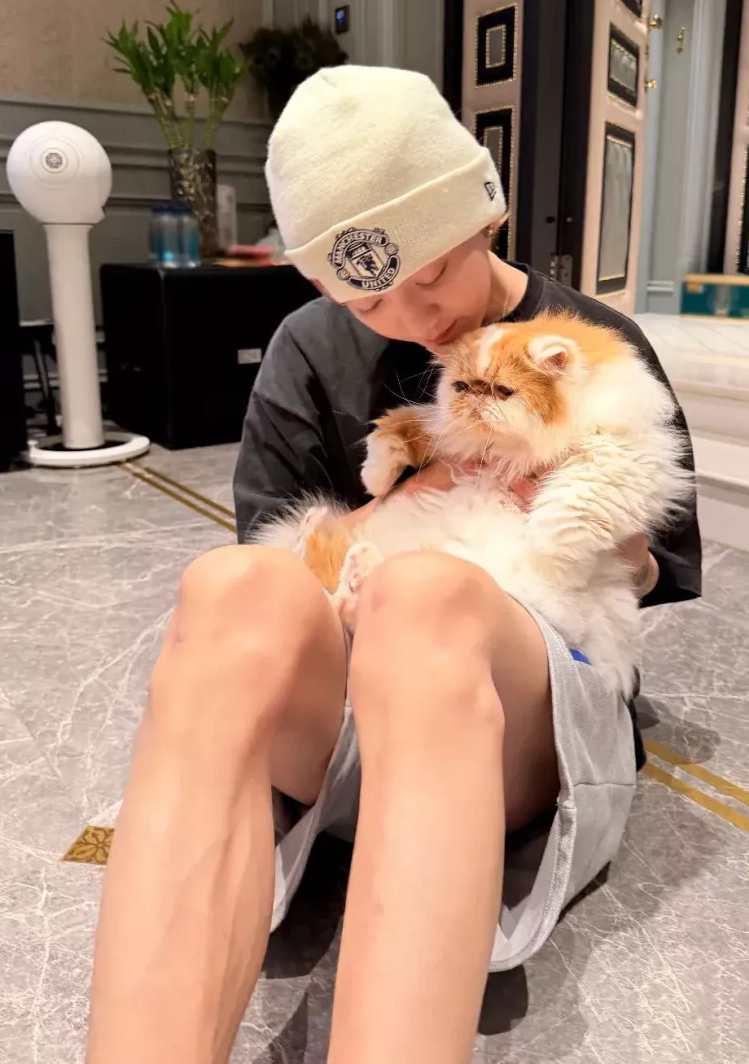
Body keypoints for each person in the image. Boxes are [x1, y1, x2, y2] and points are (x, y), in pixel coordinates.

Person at [86, 66, 700, 1064]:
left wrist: (602, 535)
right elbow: (285, 571)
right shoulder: (306, 349)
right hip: (344, 715)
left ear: (485, 215)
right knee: (228, 589)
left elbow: (648, 574)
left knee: (425, 604)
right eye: (371, 301)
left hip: (505, 717)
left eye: (434, 273)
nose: (417, 318)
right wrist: (418, 493)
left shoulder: (589, 344)